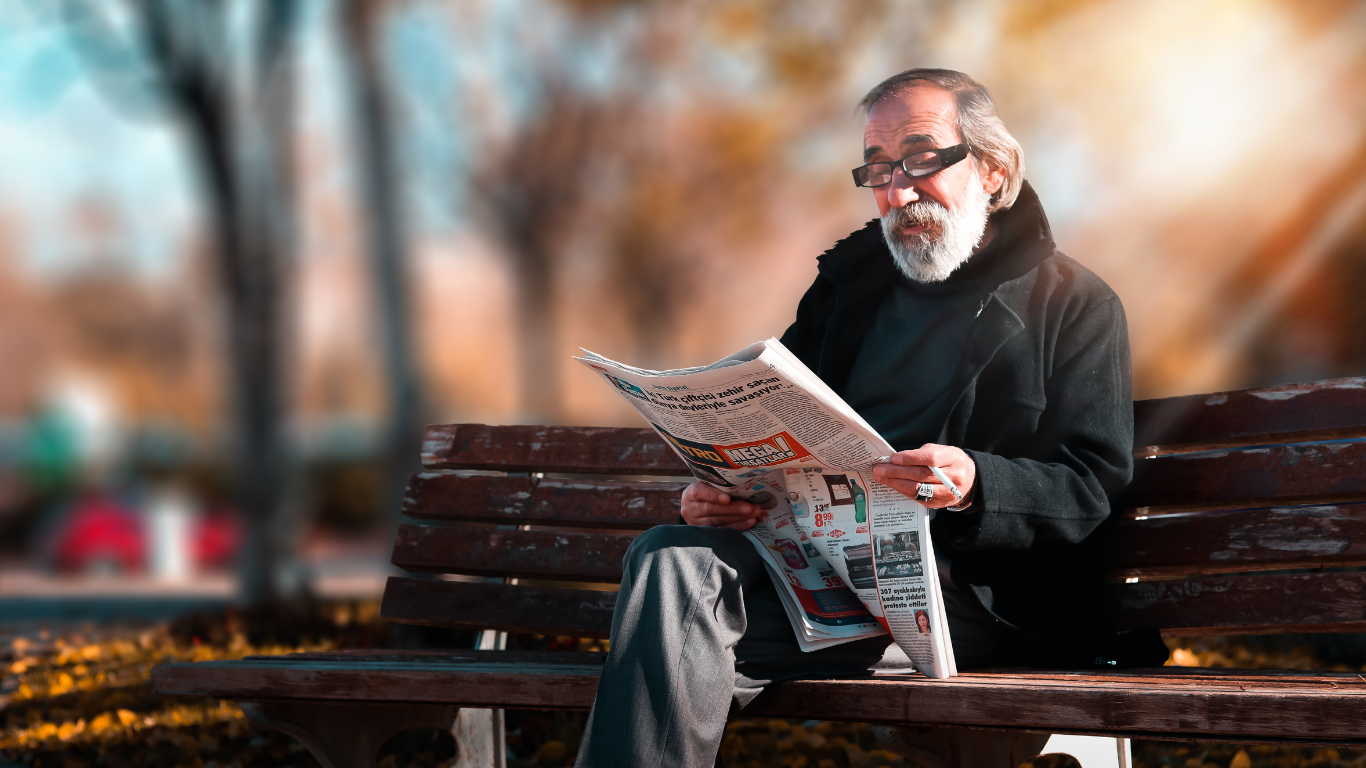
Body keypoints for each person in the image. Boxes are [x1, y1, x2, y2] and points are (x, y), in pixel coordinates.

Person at [573, 68, 1167, 768]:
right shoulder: (844, 295)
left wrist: (976, 482)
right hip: (821, 584)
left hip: (971, 599)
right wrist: (727, 492)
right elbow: (773, 416)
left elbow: (1091, 488)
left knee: (677, 658)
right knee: (670, 560)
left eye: (922, 158)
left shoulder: (1075, 305)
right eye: (879, 168)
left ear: (994, 169)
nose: (898, 189)